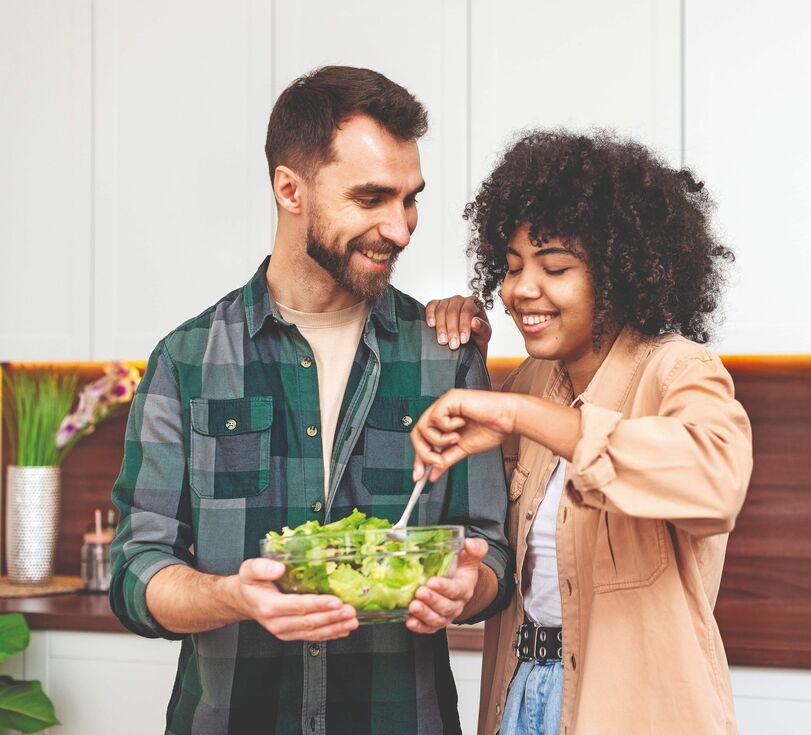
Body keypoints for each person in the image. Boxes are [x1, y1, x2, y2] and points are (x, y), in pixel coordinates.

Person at [109, 66, 513, 735]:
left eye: (409, 199)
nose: (400, 228)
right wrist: (233, 597)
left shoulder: (445, 355)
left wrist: (469, 588)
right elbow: (135, 566)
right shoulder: (187, 360)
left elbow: (490, 546)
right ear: (289, 189)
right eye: (371, 198)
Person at [412, 131, 753, 735]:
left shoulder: (678, 369)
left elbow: (715, 485)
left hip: (631, 710)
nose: (521, 289)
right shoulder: (530, 381)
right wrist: (462, 353)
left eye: (555, 268)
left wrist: (518, 415)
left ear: (619, 273)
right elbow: (496, 538)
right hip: (519, 694)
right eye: (512, 267)